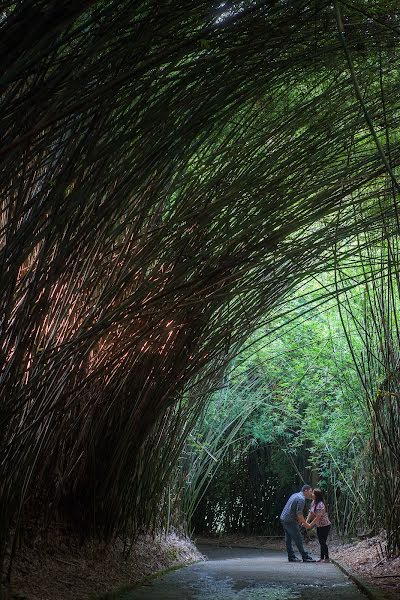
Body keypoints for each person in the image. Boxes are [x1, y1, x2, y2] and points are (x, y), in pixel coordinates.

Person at [280, 484, 315, 562]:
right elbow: (299, 514)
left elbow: (293, 510)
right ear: (305, 490)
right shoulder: (301, 499)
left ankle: (291, 556)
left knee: (288, 538)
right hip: (289, 520)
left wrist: (300, 522)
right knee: (298, 537)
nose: (311, 493)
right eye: (310, 491)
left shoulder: (295, 495)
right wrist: (306, 524)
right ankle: (305, 556)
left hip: (284, 518)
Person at [306, 488, 331, 562]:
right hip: (319, 525)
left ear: (317, 495)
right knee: (321, 541)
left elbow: (318, 518)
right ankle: (322, 558)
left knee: (322, 542)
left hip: (325, 525)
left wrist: (310, 525)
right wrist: (306, 521)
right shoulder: (313, 502)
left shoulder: (320, 504)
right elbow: (310, 513)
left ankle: (327, 558)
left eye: (313, 493)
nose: (311, 494)